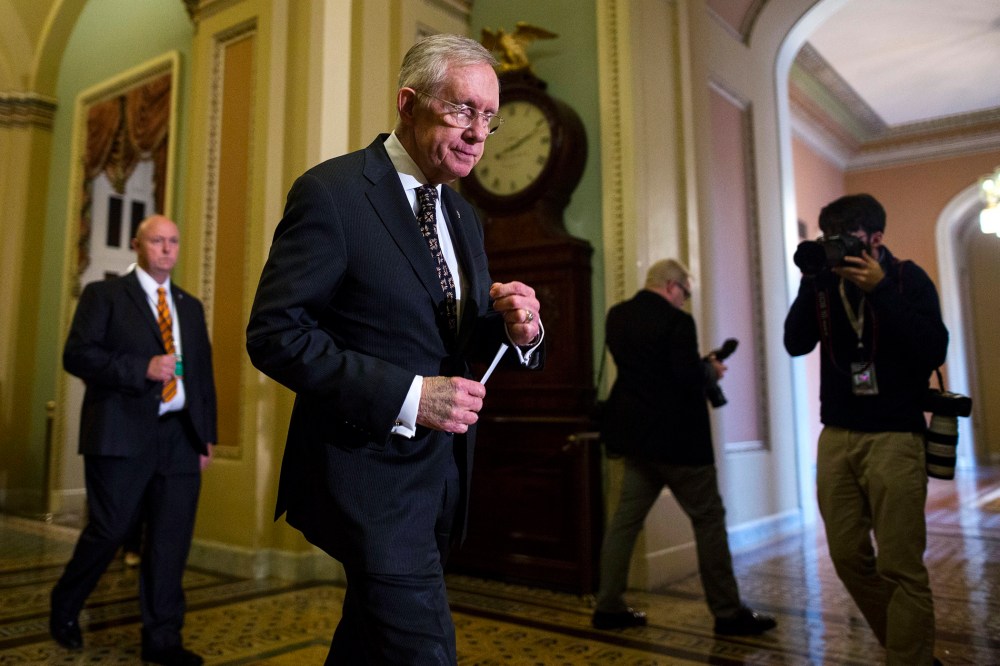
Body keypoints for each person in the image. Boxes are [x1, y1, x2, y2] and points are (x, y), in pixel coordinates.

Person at [245, 34, 544, 665]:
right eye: (464, 110)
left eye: (489, 117)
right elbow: (276, 334)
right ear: (409, 103)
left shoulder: (465, 217)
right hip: (367, 480)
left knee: (365, 647)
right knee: (424, 652)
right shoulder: (333, 193)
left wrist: (515, 329)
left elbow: (446, 341)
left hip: (441, 478)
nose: (479, 134)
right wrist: (412, 396)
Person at [784, 194, 947, 665]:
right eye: (827, 236)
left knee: (900, 565)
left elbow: (933, 347)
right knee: (849, 559)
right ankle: (907, 647)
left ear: (876, 239)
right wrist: (808, 282)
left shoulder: (905, 278)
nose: (834, 245)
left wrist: (881, 292)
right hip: (836, 435)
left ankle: (909, 658)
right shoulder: (823, 284)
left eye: (845, 237)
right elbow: (795, 343)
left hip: (895, 435)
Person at [51, 215, 217, 666]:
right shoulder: (104, 295)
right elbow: (76, 355)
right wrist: (140, 368)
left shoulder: (188, 305)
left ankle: (162, 640)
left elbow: (202, 376)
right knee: (110, 530)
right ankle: (65, 604)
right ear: (137, 245)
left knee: (170, 540)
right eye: (157, 241)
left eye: (173, 241)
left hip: (181, 436)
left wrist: (206, 437)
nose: (167, 249)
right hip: (121, 434)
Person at [593, 259, 777, 636]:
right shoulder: (678, 322)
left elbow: (649, 371)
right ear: (672, 286)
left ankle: (608, 606)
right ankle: (727, 613)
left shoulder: (618, 315)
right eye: (685, 294)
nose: (684, 301)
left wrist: (697, 366)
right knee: (709, 520)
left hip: (635, 439)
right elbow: (685, 378)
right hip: (680, 443)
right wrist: (710, 369)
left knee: (624, 524)